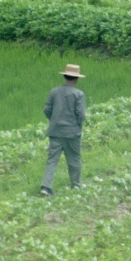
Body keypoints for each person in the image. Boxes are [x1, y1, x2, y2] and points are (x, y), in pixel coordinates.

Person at [41, 64, 86, 196]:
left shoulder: (54, 92)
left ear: (65, 76)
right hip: (71, 132)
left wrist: (53, 120)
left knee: (52, 160)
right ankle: (76, 185)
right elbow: (81, 114)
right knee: (74, 158)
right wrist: (78, 126)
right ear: (76, 79)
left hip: (55, 131)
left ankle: (46, 187)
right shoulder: (79, 94)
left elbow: (47, 109)